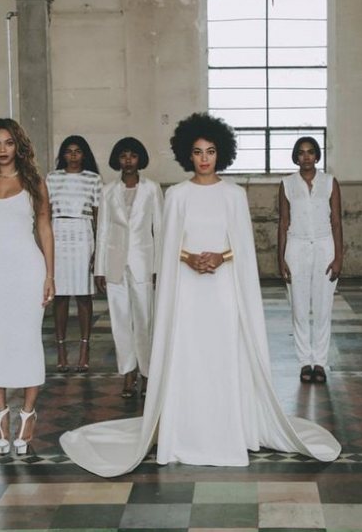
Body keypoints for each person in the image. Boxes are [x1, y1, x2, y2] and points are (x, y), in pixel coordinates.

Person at [60, 113, 341, 476]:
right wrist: (189, 256)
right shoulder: (176, 195)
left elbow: (241, 245)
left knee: (222, 352)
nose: (204, 158)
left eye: (210, 151)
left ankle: (227, 426)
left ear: (219, 153)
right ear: (187, 155)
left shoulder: (234, 194)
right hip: (189, 289)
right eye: (197, 152)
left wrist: (219, 257)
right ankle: (186, 428)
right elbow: (166, 243)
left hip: (223, 289)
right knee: (189, 353)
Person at [0, 118, 54, 456]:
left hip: (28, 271)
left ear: (19, 146)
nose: (3, 150)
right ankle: (1, 417)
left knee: (28, 340)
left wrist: (49, 274)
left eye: (8, 143)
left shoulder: (34, 182)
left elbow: (45, 228)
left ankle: (28, 413)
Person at [94, 137, 163, 398]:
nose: (128, 161)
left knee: (145, 320)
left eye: (133, 156)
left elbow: (160, 229)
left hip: (144, 264)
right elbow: (102, 230)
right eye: (123, 156)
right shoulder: (108, 191)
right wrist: (99, 269)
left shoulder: (152, 189)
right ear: (117, 160)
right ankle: (128, 373)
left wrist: (159, 266)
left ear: (140, 159)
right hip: (114, 264)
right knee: (120, 321)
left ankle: (147, 374)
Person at [277, 136, 343, 384]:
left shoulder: (329, 182)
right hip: (296, 246)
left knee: (323, 308)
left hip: (325, 246)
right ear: (296, 156)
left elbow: (336, 221)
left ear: (317, 156)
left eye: (311, 152)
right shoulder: (286, 184)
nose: (306, 157)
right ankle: (305, 361)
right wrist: (281, 259)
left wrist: (338, 257)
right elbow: (283, 223)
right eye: (301, 153)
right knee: (299, 308)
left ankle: (321, 362)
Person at [46, 136, 102, 372]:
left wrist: (97, 248)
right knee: (59, 297)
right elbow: (45, 214)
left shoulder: (94, 179)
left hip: (83, 233)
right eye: (69, 151)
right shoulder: (52, 178)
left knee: (83, 296)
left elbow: (99, 216)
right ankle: (61, 350)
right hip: (58, 233)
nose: (73, 156)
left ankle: (84, 348)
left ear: (84, 154)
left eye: (78, 151)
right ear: (63, 155)